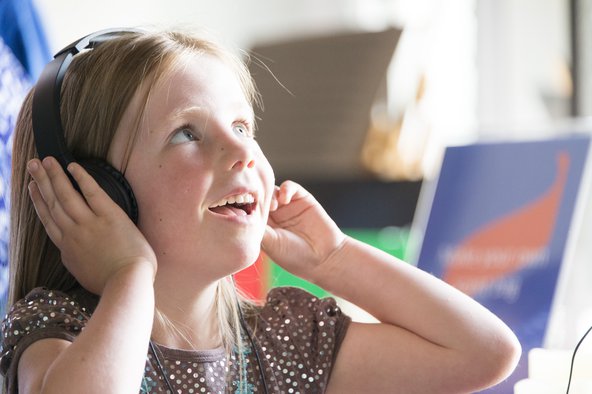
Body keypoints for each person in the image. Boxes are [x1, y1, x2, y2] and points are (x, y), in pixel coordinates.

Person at [0, 28, 520, 394]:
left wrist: (333, 260)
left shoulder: (279, 342)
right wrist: (129, 275)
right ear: (98, 192)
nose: (245, 152)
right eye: (188, 133)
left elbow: (486, 353)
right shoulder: (56, 329)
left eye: (243, 128)